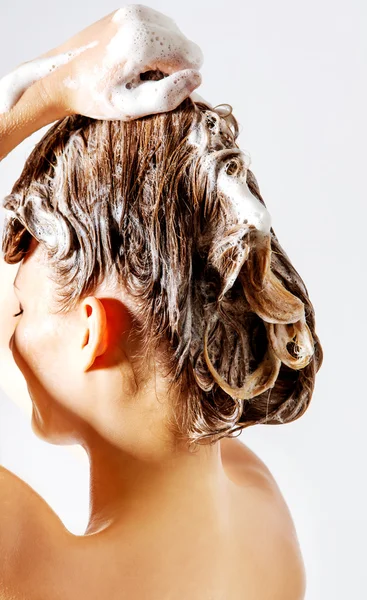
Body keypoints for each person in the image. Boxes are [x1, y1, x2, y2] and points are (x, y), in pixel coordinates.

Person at [0, 5, 323, 599]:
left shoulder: (18, 555)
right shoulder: (265, 518)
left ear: (91, 333)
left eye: (18, 310)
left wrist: (43, 89)